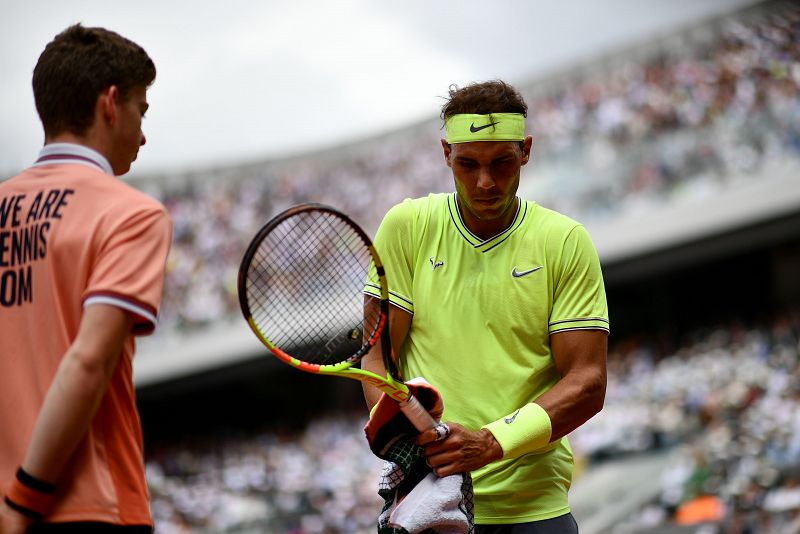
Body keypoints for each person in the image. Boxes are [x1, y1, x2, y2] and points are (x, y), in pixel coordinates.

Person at [362, 79, 609, 532]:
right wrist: (400, 434)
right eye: (468, 163)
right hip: (431, 507)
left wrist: (489, 444)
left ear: (526, 150)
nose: (485, 182)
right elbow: (377, 357)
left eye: (502, 162)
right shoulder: (406, 226)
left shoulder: (565, 242)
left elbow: (588, 383)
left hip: (533, 510)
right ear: (445, 155)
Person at [0, 24, 171, 533]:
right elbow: (89, 359)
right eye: (141, 110)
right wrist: (24, 500)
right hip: (89, 504)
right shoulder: (132, 214)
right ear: (110, 103)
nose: (143, 133)